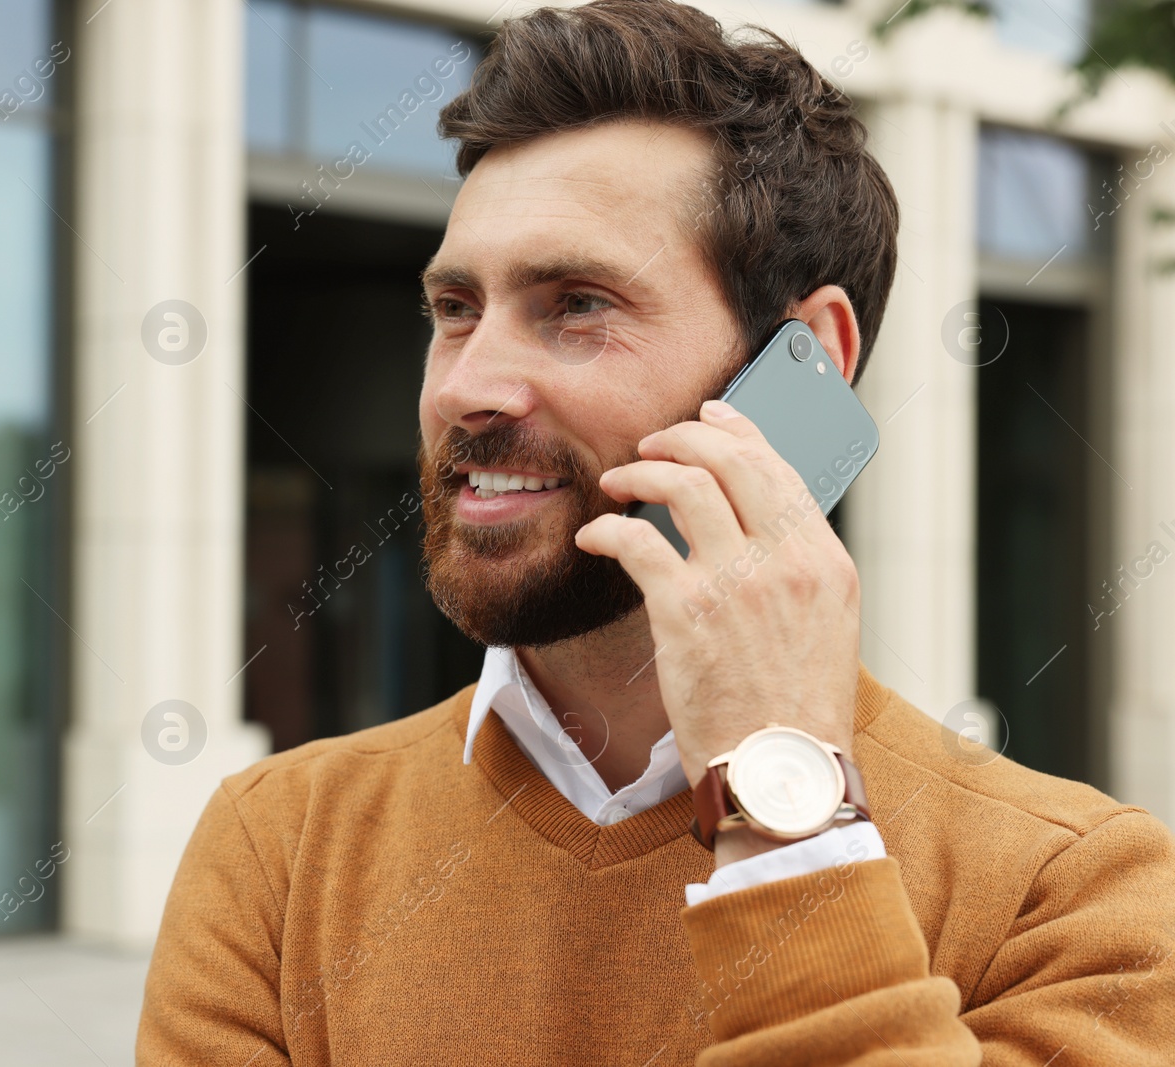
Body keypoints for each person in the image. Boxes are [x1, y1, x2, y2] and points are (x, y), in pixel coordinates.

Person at [136, 1, 1175, 1062]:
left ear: (801, 358)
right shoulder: (277, 847)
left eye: (576, 303)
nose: (469, 384)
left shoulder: (1074, 892)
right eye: (455, 308)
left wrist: (784, 812)